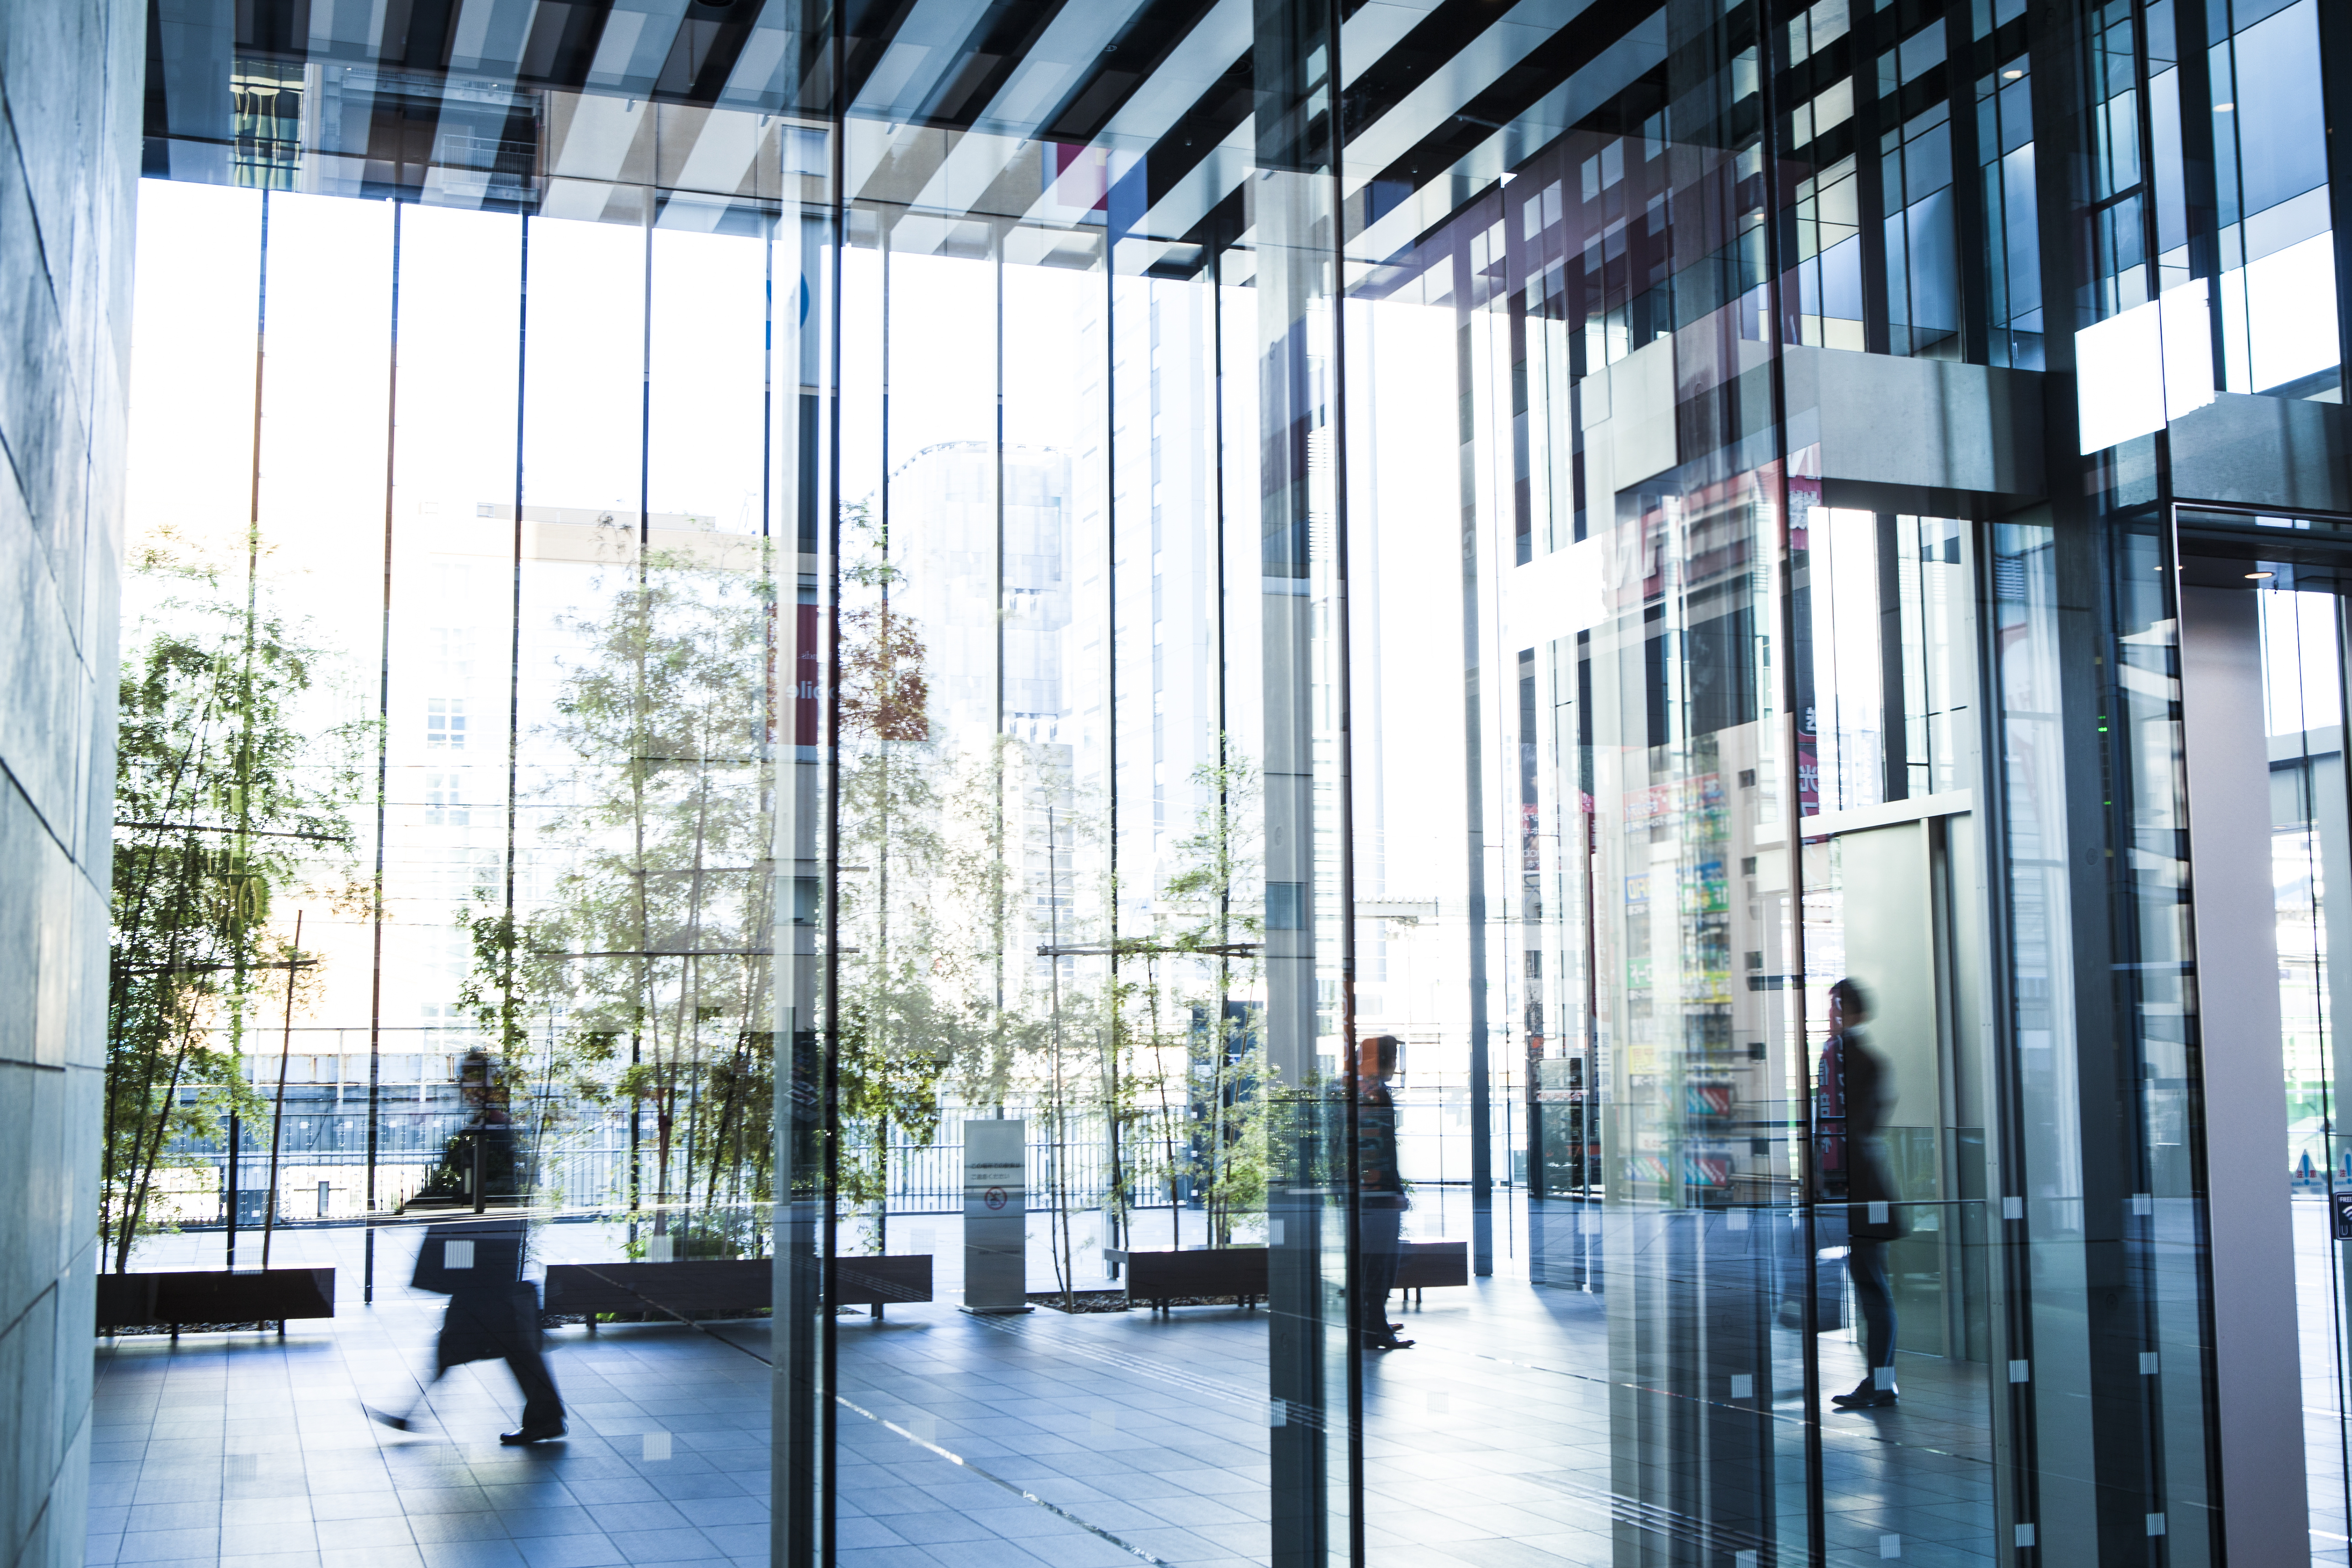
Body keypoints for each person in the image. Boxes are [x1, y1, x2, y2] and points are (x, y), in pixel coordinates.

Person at [368, 1052, 566, 1444]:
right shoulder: (493, 1132)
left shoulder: (490, 1136)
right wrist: (416, 1205)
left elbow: (467, 1190)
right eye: (468, 1081)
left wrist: (414, 1207)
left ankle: (410, 1412)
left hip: (484, 1258)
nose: (468, 1089)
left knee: (481, 1340)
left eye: (474, 1082)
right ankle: (544, 1418)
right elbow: (462, 1185)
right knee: (502, 1343)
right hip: (487, 1256)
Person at [1819, 977, 1901, 1409]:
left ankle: (1882, 1381)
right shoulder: (1838, 1058)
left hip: (1863, 1193)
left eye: (1839, 1009)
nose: (1832, 1017)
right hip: (1849, 1191)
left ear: (1857, 1014)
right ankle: (1880, 1381)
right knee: (1868, 1286)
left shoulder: (1861, 1061)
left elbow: (1860, 1127)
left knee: (1873, 1289)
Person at [1356, 1034, 1415, 1351]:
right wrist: (1395, 1190)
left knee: (1371, 1262)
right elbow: (1383, 1150)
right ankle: (1374, 1328)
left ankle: (1372, 1319)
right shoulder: (1376, 1093)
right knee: (1380, 1263)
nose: (1396, 1065)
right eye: (1393, 1058)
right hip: (1378, 1195)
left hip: (1364, 1193)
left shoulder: (1355, 1088)